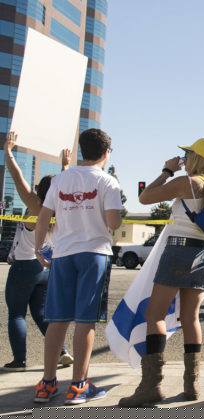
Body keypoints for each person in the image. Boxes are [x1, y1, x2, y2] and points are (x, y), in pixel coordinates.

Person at [118, 138, 204, 407]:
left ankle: (151, 386)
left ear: (197, 158)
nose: (184, 159)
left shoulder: (188, 182)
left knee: (154, 315)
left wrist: (167, 171)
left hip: (179, 250)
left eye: (187, 155)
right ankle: (191, 384)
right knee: (190, 317)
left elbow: (145, 198)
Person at [33, 128, 122, 404]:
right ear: (106, 153)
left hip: (63, 254)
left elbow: (43, 216)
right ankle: (78, 386)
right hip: (94, 254)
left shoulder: (60, 179)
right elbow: (113, 223)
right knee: (85, 320)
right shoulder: (108, 181)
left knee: (57, 320)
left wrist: (38, 248)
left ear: (82, 151)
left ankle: (47, 384)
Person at [2, 132, 73, 372]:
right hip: (46, 269)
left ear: (39, 190)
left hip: (25, 265)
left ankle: (19, 361)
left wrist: (8, 151)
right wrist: (65, 166)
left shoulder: (36, 206)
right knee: (42, 314)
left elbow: (17, 176)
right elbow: (60, 187)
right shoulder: (61, 208)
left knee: (16, 314)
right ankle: (63, 351)